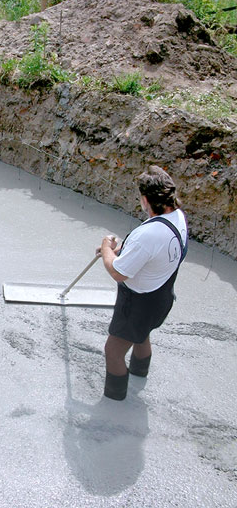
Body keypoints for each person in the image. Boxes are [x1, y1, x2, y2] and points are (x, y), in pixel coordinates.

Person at [98, 165, 188, 401]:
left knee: (113, 352)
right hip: (161, 297)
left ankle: (115, 401)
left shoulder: (147, 235)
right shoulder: (177, 218)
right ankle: (140, 374)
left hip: (136, 303)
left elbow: (118, 272)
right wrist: (121, 251)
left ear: (146, 200)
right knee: (142, 334)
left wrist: (107, 248)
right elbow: (150, 254)